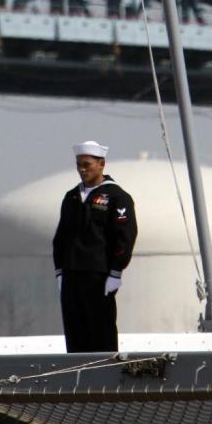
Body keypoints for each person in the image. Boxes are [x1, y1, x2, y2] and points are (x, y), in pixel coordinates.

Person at [52, 141, 137, 353]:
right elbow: (61, 236)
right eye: (79, 165)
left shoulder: (117, 197)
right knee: (75, 331)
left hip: (98, 275)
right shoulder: (71, 197)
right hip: (72, 273)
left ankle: (103, 379)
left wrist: (116, 271)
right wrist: (60, 271)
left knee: (100, 331)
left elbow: (125, 236)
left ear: (101, 164)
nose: (82, 170)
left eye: (87, 165)